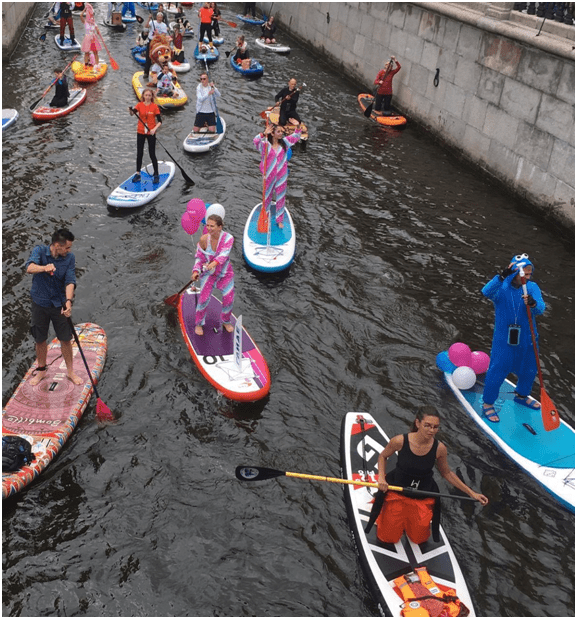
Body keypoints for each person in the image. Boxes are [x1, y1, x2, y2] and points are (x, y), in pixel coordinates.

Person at [375, 407, 488, 545]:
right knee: (388, 538)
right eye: (427, 425)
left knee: (418, 539)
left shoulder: (440, 448)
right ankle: (385, 512)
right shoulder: (399, 441)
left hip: (422, 496)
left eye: (435, 427)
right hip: (397, 493)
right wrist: (381, 477)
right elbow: (383, 456)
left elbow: (447, 473)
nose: (431, 430)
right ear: (417, 423)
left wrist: (472, 493)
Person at [481, 254, 546, 423]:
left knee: (530, 369)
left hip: (528, 338)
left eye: (530, 272)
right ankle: (488, 403)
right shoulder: (502, 289)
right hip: (505, 340)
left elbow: (540, 308)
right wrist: (501, 276)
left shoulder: (532, 288)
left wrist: (532, 304)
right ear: (516, 272)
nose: (528, 275)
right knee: (498, 369)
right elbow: (485, 291)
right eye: (525, 272)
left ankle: (522, 395)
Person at [25, 229, 83, 387]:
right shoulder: (40, 251)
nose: (69, 250)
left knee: (65, 339)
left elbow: (70, 280)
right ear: (57, 245)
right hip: (40, 304)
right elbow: (29, 267)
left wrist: (69, 301)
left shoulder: (69, 258)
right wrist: (44, 268)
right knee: (40, 340)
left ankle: (70, 371)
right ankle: (42, 370)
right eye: (67, 247)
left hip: (59, 306)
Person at [191, 215, 235, 337]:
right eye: (207, 225)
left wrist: (214, 263)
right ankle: (199, 323)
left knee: (229, 299)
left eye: (212, 226)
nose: (209, 228)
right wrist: (195, 271)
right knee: (203, 299)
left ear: (220, 227)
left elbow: (224, 255)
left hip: (225, 274)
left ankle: (226, 321)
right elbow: (199, 258)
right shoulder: (204, 240)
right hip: (209, 275)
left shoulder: (228, 238)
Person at [253, 123, 301, 229]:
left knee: (280, 197)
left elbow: (295, 137)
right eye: (278, 131)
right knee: (267, 197)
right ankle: (265, 217)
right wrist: (263, 134)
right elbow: (255, 141)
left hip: (281, 176)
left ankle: (279, 220)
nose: (281, 134)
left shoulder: (285, 143)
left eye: (282, 132)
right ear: (272, 133)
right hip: (268, 176)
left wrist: (297, 128)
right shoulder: (265, 145)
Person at [128, 88, 162, 184]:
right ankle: (138, 174)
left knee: (152, 154)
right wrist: (130, 111)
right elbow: (132, 113)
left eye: (149, 95)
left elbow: (160, 121)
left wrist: (154, 129)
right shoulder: (139, 105)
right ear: (143, 96)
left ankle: (156, 174)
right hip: (140, 132)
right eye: (146, 95)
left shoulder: (155, 107)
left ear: (151, 97)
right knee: (139, 153)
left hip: (151, 132)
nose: (147, 97)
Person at [143, 12, 169, 78]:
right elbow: (146, 26)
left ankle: (160, 72)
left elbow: (164, 35)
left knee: (158, 58)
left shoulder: (164, 25)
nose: (160, 18)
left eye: (161, 17)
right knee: (148, 58)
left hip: (158, 43)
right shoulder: (153, 22)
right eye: (158, 17)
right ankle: (146, 72)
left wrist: (158, 34)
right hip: (151, 41)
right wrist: (149, 18)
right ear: (157, 17)